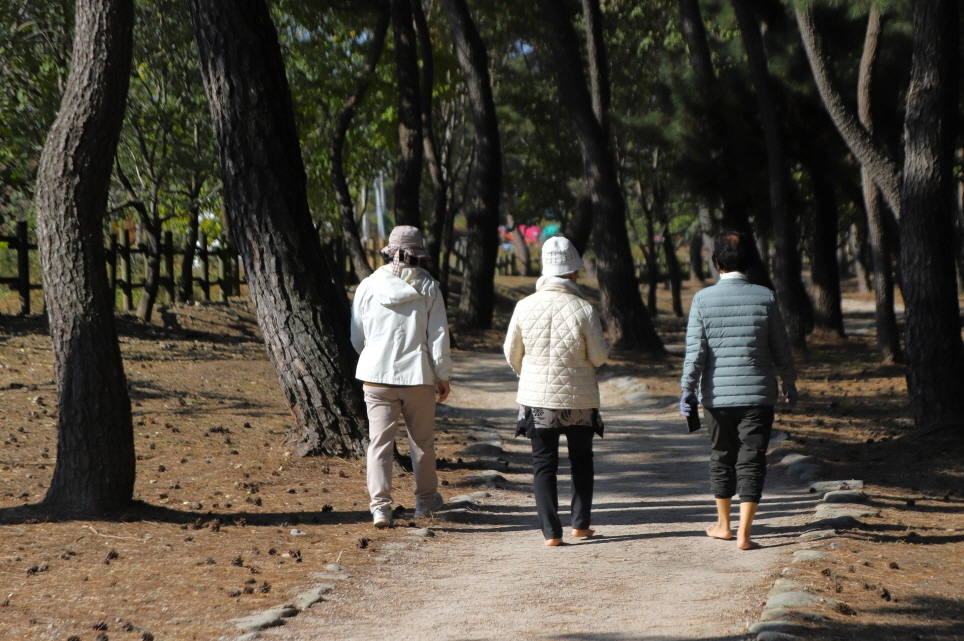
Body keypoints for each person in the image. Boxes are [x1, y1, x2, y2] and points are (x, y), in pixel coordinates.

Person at [680, 231, 798, 550]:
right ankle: (745, 533)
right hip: (759, 395)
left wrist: (687, 390)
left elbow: (696, 353)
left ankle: (724, 525)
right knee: (752, 458)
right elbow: (781, 349)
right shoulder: (766, 297)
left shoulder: (702, 300)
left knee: (721, 456)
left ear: (717, 262)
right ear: (750, 261)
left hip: (717, 396)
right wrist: (789, 382)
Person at [504, 236, 610, 546]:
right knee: (581, 460)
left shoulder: (524, 307)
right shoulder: (584, 310)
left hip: (538, 402)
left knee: (543, 464)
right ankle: (580, 525)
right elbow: (599, 357)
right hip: (580, 400)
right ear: (574, 272)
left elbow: (512, 353)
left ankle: (551, 533)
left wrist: (530, 376)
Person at [351, 225, 453, 529]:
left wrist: (374, 359)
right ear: (418, 255)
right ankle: (424, 504)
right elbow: (438, 336)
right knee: (421, 443)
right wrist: (442, 374)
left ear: (389, 252)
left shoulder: (367, 286)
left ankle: (380, 508)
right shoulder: (428, 287)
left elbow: (358, 336)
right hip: (418, 376)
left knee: (378, 443)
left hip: (376, 376)